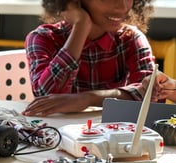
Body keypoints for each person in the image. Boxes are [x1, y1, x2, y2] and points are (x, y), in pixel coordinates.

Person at [22, 0, 156, 117]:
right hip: (58, 134)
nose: (122, 6)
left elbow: (151, 94)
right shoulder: (42, 37)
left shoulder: (130, 38)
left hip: (109, 134)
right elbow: (45, 96)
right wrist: (81, 26)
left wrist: (88, 99)